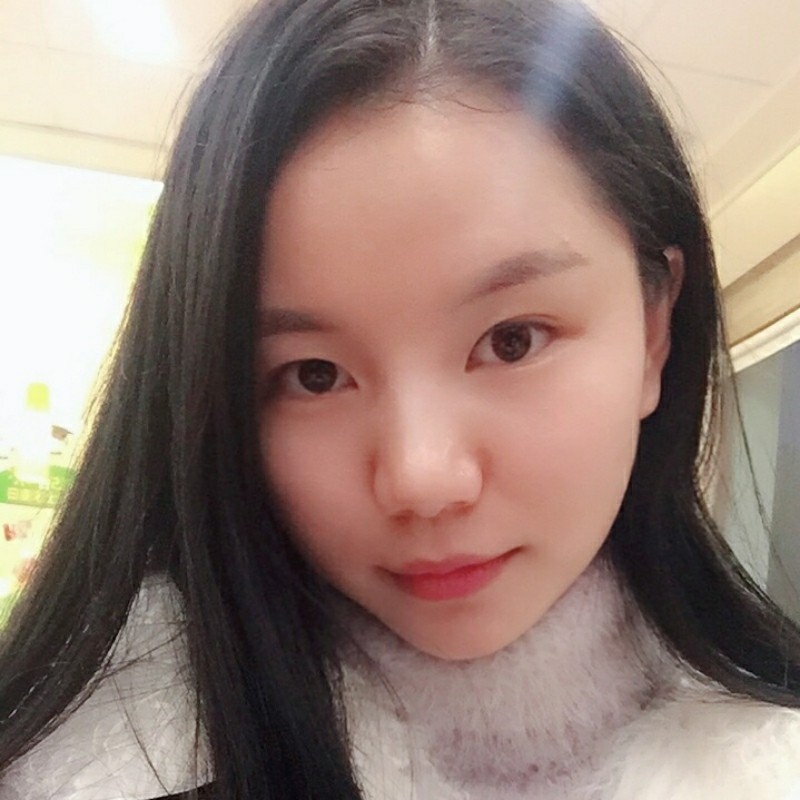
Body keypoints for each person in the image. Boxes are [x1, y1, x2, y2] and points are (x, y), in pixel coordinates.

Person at [1, 0, 799, 797]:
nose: (423, 479)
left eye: (512, 340)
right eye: (314, 375)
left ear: (654, 330)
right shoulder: (96, 769)